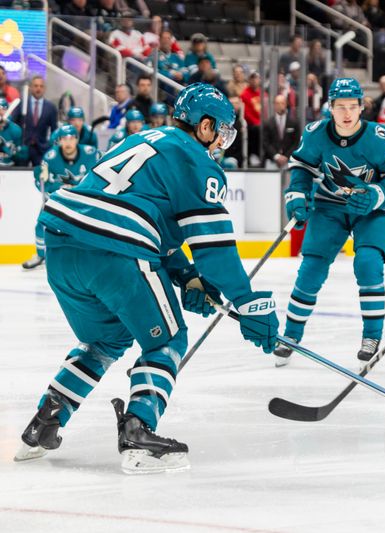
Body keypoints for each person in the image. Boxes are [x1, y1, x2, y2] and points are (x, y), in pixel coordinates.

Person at [14, 83, 278, 474]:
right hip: (115, 249)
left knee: (107, 338)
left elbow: (158, 228)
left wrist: (186, 277)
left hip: (62, 244)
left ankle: (47, 418)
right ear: (204, 127)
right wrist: (247, 300)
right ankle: (138, 427)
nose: (222, 141)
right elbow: (214, 248)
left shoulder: (142, 139)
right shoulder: (199, 162)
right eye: (221, 131)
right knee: (169, 339)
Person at [273, 78, 385, 366]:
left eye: (352, 107)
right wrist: (297, 194)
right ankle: (291, 335)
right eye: (340, 107)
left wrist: (376, 195)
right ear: (330, 109)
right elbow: (301, 167)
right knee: (311, 268)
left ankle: (371, 335)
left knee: (367, 263)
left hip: (374, 209)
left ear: (362, 108)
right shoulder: (315, 134)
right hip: (330, 206)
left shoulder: (380, 138)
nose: (347, 114)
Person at [21, 125, 101, 270]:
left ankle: (97, 255)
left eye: (71, 138)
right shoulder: (50, 157)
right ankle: (40, 255)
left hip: (85, 200)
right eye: (64, 139)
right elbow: (42, 185)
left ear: (77, 139)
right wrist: (42, 180)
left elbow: (104, 171)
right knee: (42, 224)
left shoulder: (91, 153)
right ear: (59, 141)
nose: (68, 142)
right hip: (59, 199)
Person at [10, 75, 59, 166]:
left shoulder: (51, 107)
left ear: (44, 88)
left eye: (41, 86)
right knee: (19, 174)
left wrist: (51, 147)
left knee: (40, 176)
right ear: (31, 87)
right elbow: (13, 124)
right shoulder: (22, 103)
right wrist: (16, 144)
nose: (38, 89)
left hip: (41, 149)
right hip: (23, 147)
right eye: (36, 86)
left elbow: (54, 131)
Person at [263, 94, 299, 170]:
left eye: (282, 103)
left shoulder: (294, 123)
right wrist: (276, 156)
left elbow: (296, 142)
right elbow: (265, 142)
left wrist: (287, 156)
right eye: (277, 103)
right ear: (274, 105)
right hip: (272, 160)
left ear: (286, 104)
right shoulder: (268, 123)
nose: (280, 106)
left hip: (289, 161)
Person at [0, 98, 26, 166]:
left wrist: (16, 152)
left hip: (9, 167)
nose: (0, 112)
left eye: (3, 109)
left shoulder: (15, 130)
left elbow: (18, 154)